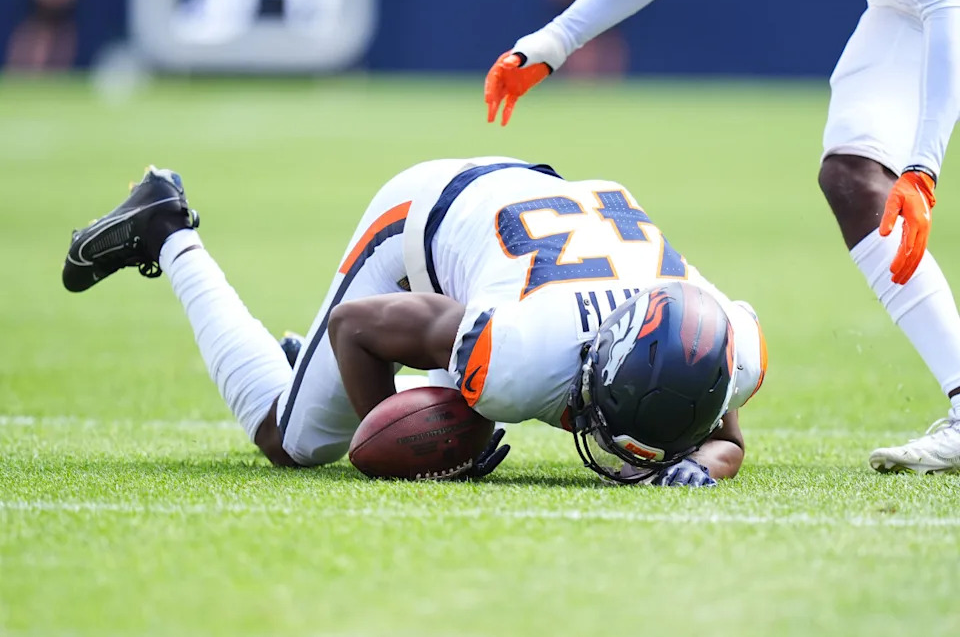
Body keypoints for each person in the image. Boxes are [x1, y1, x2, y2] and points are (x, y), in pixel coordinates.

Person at [484, 0, 960, 474]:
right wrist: (557, 40)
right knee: (852, 179)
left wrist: (923, 167)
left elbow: (947, 2)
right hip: (905, 1)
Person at [62, 159, 766, 486]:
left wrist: (703, 463)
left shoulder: (722, 347)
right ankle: (164, 227)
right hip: (427, 217)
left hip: (532, 230)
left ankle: (306, 365)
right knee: (294, 439)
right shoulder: (522, 354)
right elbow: (359, 329)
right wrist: (389, 440)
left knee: (457, 369)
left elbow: (724, 435)